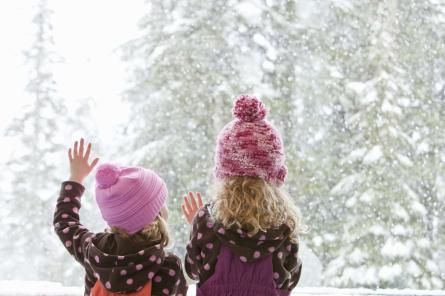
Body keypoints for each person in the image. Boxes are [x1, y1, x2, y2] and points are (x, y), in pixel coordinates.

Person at [181, 95, 303, 296]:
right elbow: (292, 277)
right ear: (276, 173)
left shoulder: (207, 220)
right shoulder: (285, 225)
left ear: (224, 172)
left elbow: (192, 271)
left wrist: (196, 227)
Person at [53, 139, 187, 296]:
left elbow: (64, 223)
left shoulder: (95, 253)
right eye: (161, 203)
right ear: (154, 217)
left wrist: (75, 178)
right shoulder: (168, 268)